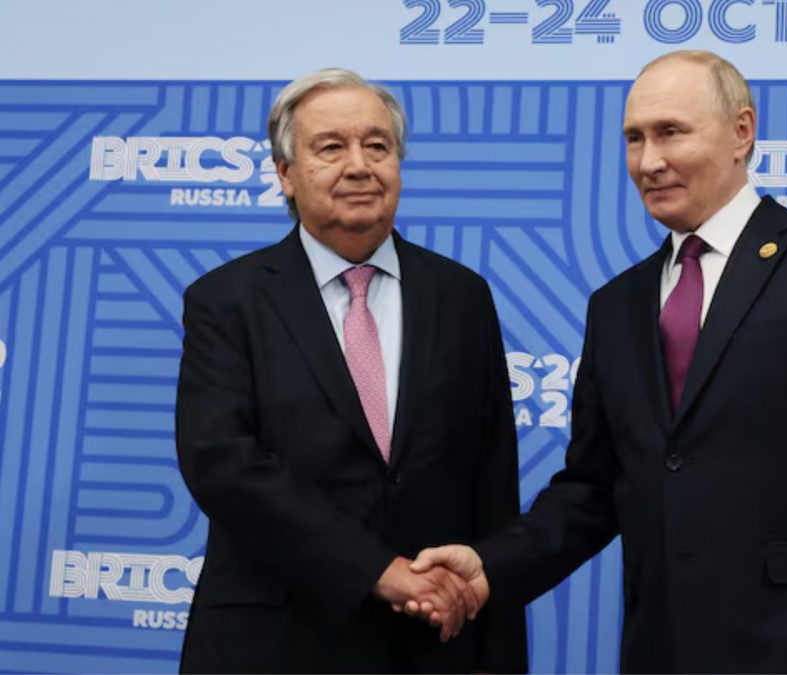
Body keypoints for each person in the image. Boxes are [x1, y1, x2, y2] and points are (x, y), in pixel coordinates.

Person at [410, 51, 787, 673]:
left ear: (742, 131)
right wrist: (490, 567)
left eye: (670, 132)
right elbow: (593, 489)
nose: (648, 161)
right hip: (661, 650)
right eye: (634, 138)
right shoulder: (616, 304)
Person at [174, 67, 526, 673]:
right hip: (276, 641)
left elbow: (492, 483)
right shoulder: (226, 301)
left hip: (434, 646)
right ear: (285, 173)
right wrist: (376, 571)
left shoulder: (462, 296)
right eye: (331, 148)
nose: (359, 166)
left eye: (377, 146)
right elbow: (223, 465)